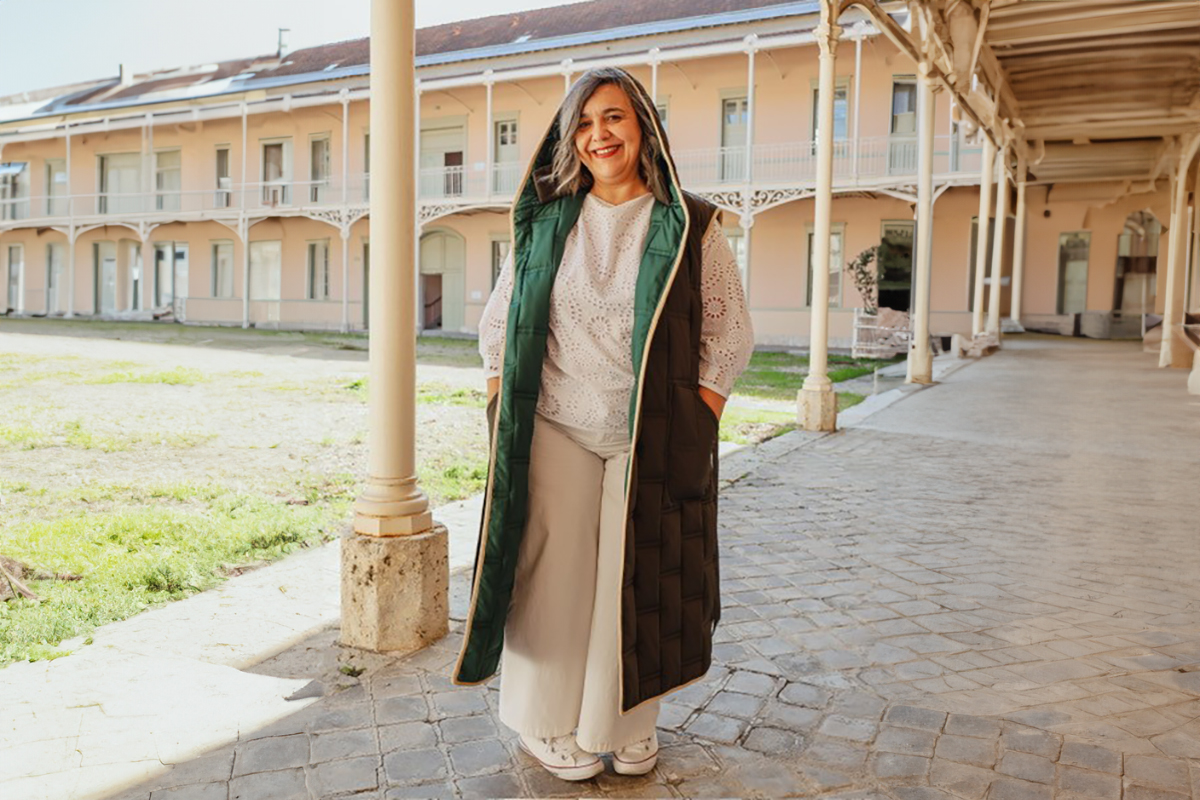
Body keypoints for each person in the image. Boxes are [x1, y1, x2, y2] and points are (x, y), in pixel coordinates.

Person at [452, 66, 754, 781]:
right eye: (584, 124)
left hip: (645, 434)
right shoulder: (548, 219)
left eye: (613, 118)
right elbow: (498, 324)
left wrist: (693, 420)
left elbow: (729, 335)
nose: (598, 135)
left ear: (643, 125)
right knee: (555, 575)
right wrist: (505, 410)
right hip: (555, 422)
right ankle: (545, 724)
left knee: (636, 576)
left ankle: (623, 722)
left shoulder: (690, 224)